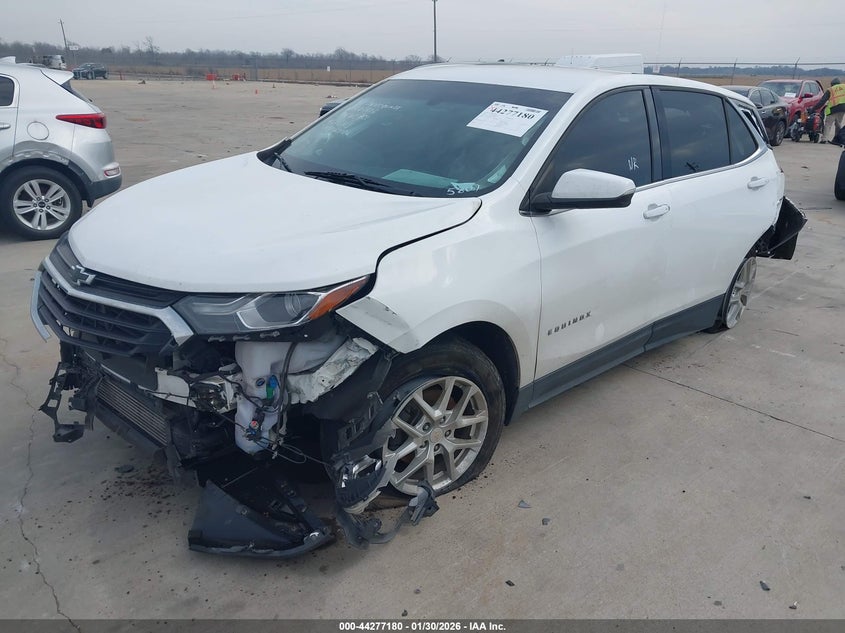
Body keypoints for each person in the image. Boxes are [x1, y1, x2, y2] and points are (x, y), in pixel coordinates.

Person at [816, 78, 845, 145]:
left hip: (832, 109)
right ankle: (837, 139)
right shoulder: (844, 87)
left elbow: (822, 101)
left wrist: (814, 108)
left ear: (832, 84)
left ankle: (824, 139)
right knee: (838, 124)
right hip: (842, 109)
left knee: (828, 124)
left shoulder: (830, 90)